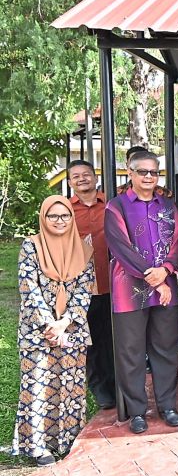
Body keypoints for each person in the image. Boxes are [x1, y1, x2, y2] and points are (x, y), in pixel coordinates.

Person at [104, 151, 178, 434]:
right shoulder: (116, 207)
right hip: (130, 290)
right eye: (142, 172)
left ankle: (168, 406)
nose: (149, 177)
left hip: (166, 289)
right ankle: (137, 411)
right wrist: (156, 279)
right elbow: (120, 247)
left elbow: (177, 242)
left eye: (153, 172)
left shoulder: (169, 207)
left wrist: (167, 269)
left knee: (166, 348)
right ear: (130, 173)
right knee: (131, 352)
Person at [13, 196, 95, 466]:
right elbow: (29, 288)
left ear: (72, 218)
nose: (60, 221)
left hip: (72, 329)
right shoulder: (31, 246)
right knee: (37, 384)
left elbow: (85, 290)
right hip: (38, 331)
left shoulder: (83, 249)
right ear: (43, 218)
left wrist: (65, 323)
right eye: (53, 216)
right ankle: (37, 445)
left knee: (70, 386)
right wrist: (49, 324)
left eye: (65, 216)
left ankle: (68, 440)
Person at [67, 160, 116, 411]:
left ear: (95, 177)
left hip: (114, 283)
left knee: (115, 338)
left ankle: (120, 385)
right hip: (81, 287)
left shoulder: (112, 204)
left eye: (86, 174)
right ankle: (101, 389)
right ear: (70, 182)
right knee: (91, 340)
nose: (82, 179)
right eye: (76, 176)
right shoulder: (65, 210)